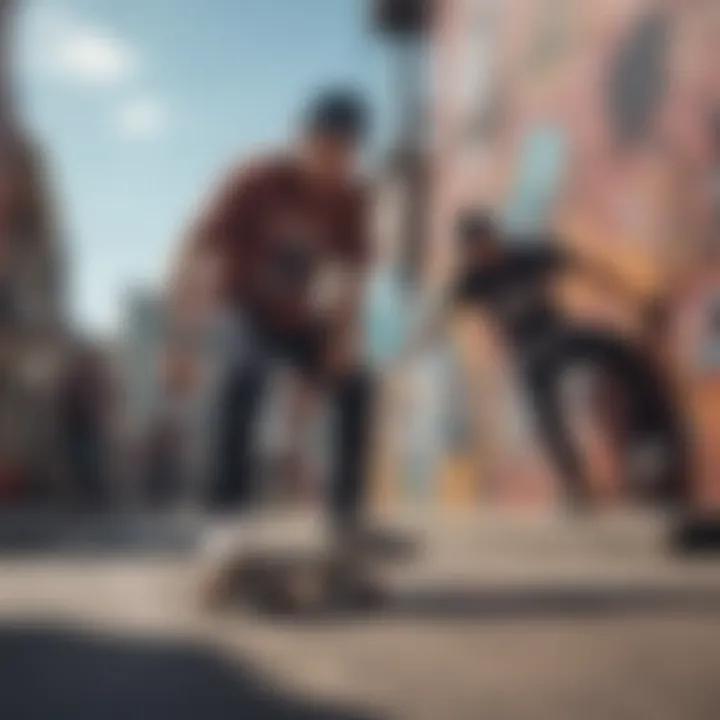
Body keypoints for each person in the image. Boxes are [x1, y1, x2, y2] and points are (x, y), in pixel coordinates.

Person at [174, 88, 375, 535]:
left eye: (345, 153)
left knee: (357, 384)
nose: (333, 164)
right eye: (324, 149)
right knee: (242, 375)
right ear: (303, 140)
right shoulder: (255, 178)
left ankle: (345, 517)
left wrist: (343, 342)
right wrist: (181, 341)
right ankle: (225, 518)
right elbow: (193, 250)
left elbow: (352, 277)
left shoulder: (351, 199)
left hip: (301, 317)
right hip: (244, 309)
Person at [410, 211, 689, 508]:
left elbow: (586, 268)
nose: (484, 256)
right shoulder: (471, 280)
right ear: (468, 252)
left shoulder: (527, 256)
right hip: (528, 353)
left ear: (493, 239)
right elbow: (441, 315)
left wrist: (632, 295)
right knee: (543, 406)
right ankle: (574, 484)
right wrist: (417, 343)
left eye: (486, 246)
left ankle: (652, 441)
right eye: (476, 252)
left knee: (621, 351)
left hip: (559, 333)